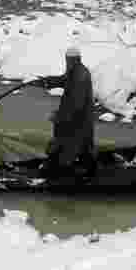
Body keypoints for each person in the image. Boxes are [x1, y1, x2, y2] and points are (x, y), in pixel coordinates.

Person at [35, 47, 97, 180]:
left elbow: (77, 102)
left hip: (78, 118)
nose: (67, 62)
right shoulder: (76, 71)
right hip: (79, 117)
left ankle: (60, 170)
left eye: (68, 60)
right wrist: (45, 81)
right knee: (82, 144)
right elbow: (63, 80)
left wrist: (60, 117)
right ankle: (87, 169)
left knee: (69, 143)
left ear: (72, 60)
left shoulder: (80, 75)